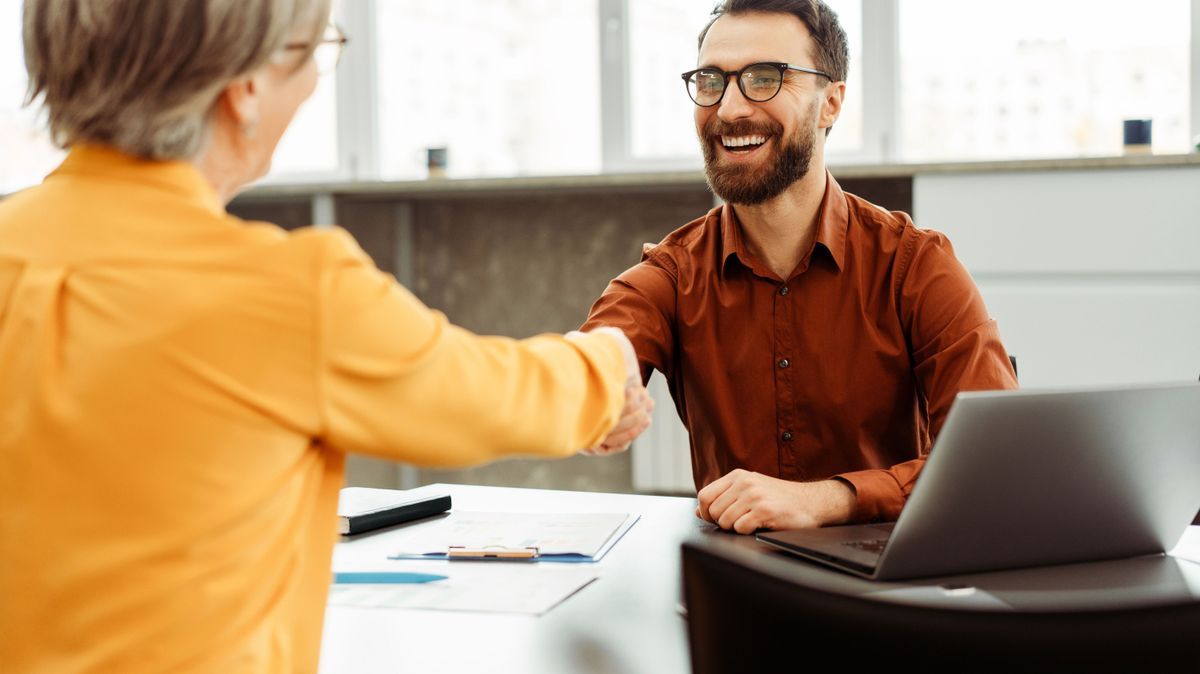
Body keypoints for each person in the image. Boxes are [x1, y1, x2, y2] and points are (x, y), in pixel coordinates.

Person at [0, 1, 651, 671]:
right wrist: (608, 361)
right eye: (314, 51)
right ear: (247, 85)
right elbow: (488, 394)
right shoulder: (285, 291)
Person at [583, 0, 1017, 534]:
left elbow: (995, 464)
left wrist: (831, 499)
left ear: (830, 102)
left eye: (765, 78)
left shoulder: (917, 266)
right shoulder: (672, 274)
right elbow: (595, 356)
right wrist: (591, 395)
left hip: (892, 586)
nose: (730, 108)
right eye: (712, 80)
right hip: (737, 588)